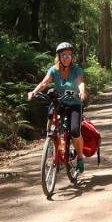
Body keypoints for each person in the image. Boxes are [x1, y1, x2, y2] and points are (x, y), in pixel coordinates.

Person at [27, 42, 88, 172]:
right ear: (59, 56)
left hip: (74, 103)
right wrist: (34, 92)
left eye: (69, 55)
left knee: (75, 132)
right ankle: (53, 144)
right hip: (60, 102)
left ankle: (80, 158)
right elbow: (44, 82)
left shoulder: (76, 69)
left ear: (72, 57)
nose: (66, 58)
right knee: (50, 122)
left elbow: (80, 82)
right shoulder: (54, 70)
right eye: (64, 55)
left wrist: (82, 91)